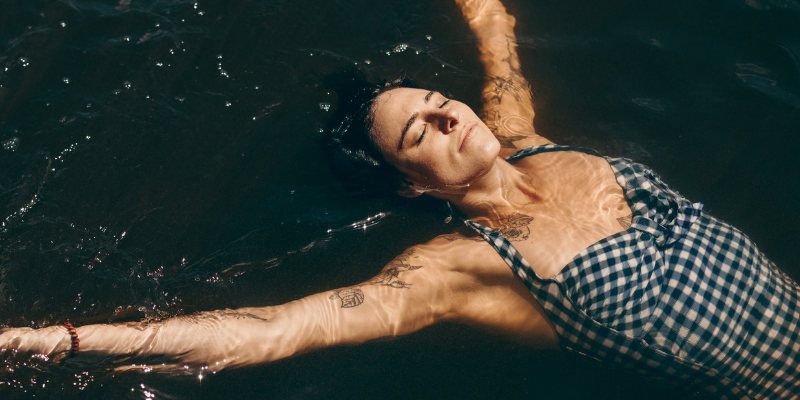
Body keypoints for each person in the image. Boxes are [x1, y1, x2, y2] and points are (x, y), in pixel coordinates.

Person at [2, 0, 799, 398]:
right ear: (409, 184)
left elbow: (496, 30)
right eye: (420, 133)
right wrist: (56, 337)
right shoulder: (456, 269)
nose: (447, 115)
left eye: (437, 101)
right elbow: (273, 330)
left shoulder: (526, 138)